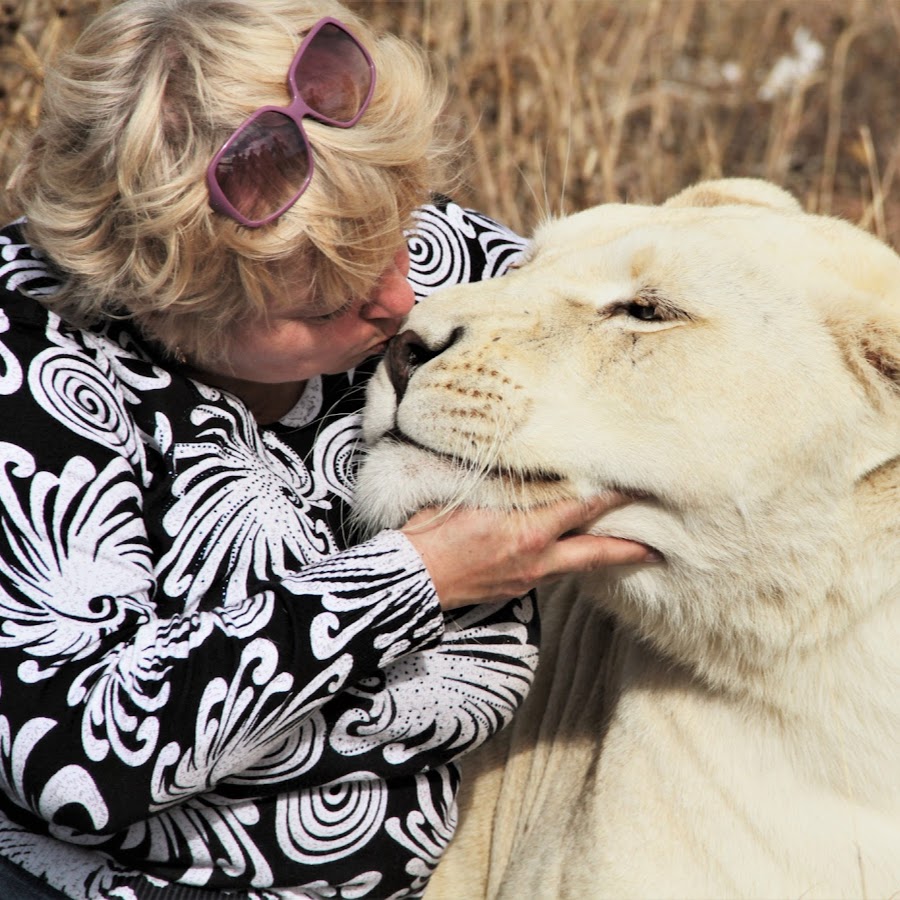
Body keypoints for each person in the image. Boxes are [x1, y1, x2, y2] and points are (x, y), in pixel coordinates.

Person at [0, 1, 653, 897]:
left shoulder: (419, 258)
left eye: (399, 236)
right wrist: (420, 578)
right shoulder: (30, 363)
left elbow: (660, 341)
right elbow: (75, 763)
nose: (401, 300)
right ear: (158, 299)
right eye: (324, 305)